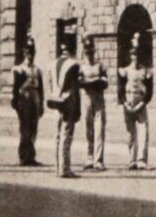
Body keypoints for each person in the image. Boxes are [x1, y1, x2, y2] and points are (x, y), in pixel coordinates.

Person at [47, 31, 82, 179]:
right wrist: (77, 109)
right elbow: (75, 89)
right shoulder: (74, 65)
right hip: (68, 103)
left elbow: (50, 83)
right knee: (66, 136)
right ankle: (65, 168)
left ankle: (57, 167)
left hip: (55, 101)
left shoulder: (53, 63)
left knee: (56, 136)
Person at [119, 37, 153, 171]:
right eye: (133, 54)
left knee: (143, 131)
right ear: (130, 55)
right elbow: (120, 90)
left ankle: (142, 160)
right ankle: (131, 159)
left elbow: (150, 91)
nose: (135, 57)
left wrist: (142, 103)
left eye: (137, 54)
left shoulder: (145, 71)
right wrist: (125, 103)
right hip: (128, 102)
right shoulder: (125, 71)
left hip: (140, 103)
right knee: (130, 133)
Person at [11, 35, 44, 166]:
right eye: (28, 51)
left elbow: (40, 88)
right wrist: (16, 103)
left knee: (34, 127)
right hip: (24, 98)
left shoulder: (37, 70)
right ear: (24, 52)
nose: (30, 54)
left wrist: (41, 103)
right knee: (24, 127)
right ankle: (23, 156)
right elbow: (15, 88)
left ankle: (31, 155)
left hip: (34, 97)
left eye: (32, 51)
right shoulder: (19, 69)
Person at [78, 34, 108, 170]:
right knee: (87, 129)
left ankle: (98, 160)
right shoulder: (81, 67)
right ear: (84, 51)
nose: (89, 54)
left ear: (94, 50)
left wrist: (97, 81)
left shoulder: (100, 65)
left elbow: (105, 82)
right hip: (86, 98)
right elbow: (79, 82)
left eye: (91, 51)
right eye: (87, 51)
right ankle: (89, 157)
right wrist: (87, 82)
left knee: (99, 129)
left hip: (98, 99)